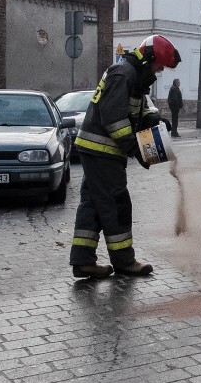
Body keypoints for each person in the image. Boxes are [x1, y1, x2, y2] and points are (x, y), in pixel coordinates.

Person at [70, 34, 181, 278]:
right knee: (117, 204)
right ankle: (124, 260)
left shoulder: (133, 74)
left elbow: (140, 107)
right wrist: (136, 148)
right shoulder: (124, 74)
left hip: (98, 151)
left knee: (94, 205)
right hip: (103, 151)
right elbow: (114, 120)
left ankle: (83, 260)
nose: (160, 69)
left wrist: (154, 120)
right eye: (159, 65)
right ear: (149, 58)